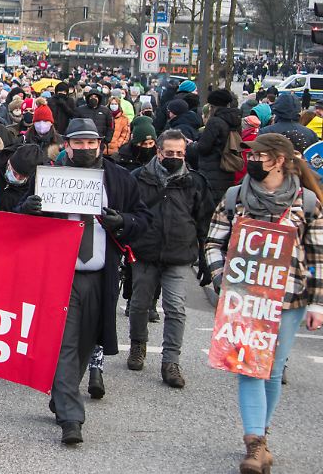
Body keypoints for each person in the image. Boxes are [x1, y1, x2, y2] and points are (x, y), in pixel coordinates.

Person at [20, 118, 150, 445]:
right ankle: (71, 417)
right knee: (65, 342)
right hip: (62, 275)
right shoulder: (50, 177)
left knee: (88, 340)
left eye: (91, 142)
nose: (85, 148)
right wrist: (29, 208)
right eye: (78, 143)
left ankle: (61, 395)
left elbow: (144, 219)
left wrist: (123, 221)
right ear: (68, 145)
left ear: (100, 144)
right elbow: (21, 218)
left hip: (102, 275)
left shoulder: (120, 179)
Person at [206, 133, 323, 473]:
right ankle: (254, 442)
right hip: (244, 300)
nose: (251, 161)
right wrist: (220, 279)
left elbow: (318, 255)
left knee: (272, 371)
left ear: (280, 160)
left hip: (290, 298)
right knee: (247, 367)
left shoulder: (307, 202)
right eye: (251, 156)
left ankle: (262, 437)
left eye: (259, 156)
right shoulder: (234, 197)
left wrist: (317, 304)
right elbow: (213, 240)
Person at [126, 129, 208, 389]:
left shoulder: (195, 181)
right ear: (158, 152)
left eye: (179, 153)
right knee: (139, 303)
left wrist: (205, 256)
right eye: (169, 153)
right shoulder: (138, 178)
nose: (174, 157)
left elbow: (203, 219)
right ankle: (138, 345)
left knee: (175, 308)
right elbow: (127, 212)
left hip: (178, 253)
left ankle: (170, 361)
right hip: (145, 251)